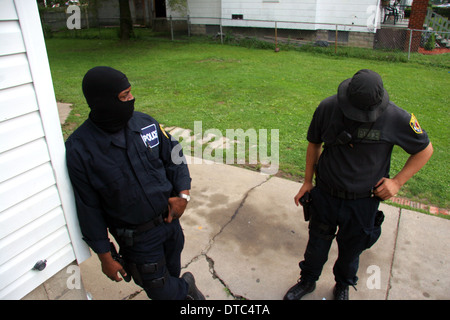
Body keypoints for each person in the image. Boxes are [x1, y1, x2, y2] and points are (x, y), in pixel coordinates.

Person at [284, 69, 433, 300]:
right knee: (317, 243)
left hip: (363, 202)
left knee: (351, 250)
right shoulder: (327, 108)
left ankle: (343, 285)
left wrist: (397, 182)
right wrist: (306, 181)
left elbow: (425, 150)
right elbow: (314, 144)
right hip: (326, 195)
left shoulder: (397, 118)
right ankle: (307, 281)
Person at [66, 66, 205, 300]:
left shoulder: (145, 123)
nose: (131, 100)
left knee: (171, 274)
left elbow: (175, 156)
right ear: (102, 101)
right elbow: (88, 207)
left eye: (130, 93)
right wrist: (105, 255)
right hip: (137, 239)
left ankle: (181, 288)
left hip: (170, 223)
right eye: (124, 96)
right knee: (161, 291)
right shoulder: (80, 149)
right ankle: (188, 291)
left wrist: (183, 196)